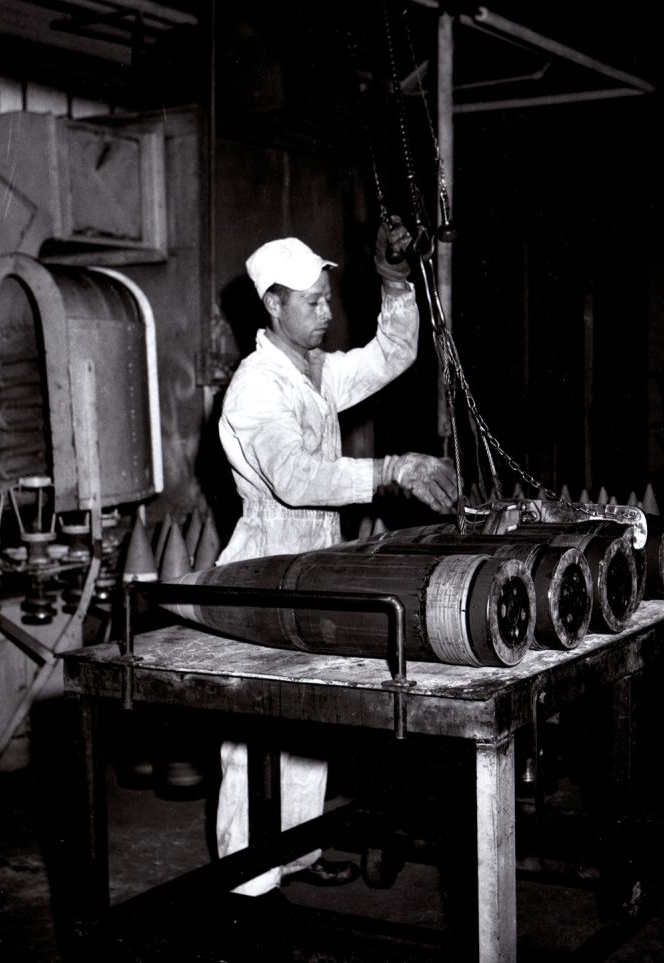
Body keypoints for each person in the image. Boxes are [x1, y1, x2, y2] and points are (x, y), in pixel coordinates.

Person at [214, 219, 456, 897]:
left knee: (308, 720)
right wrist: (392, 469)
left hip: (313, 564)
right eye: (313, 302)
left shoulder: (314, 373)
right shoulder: (256, 387)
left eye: (327, 298)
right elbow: (294, 477)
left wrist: (395, 281)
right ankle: (246, 882)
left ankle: (295, 853)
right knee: (256, 730)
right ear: (273, 304)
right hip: (263, 568)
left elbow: (393, 354)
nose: (326, 312)